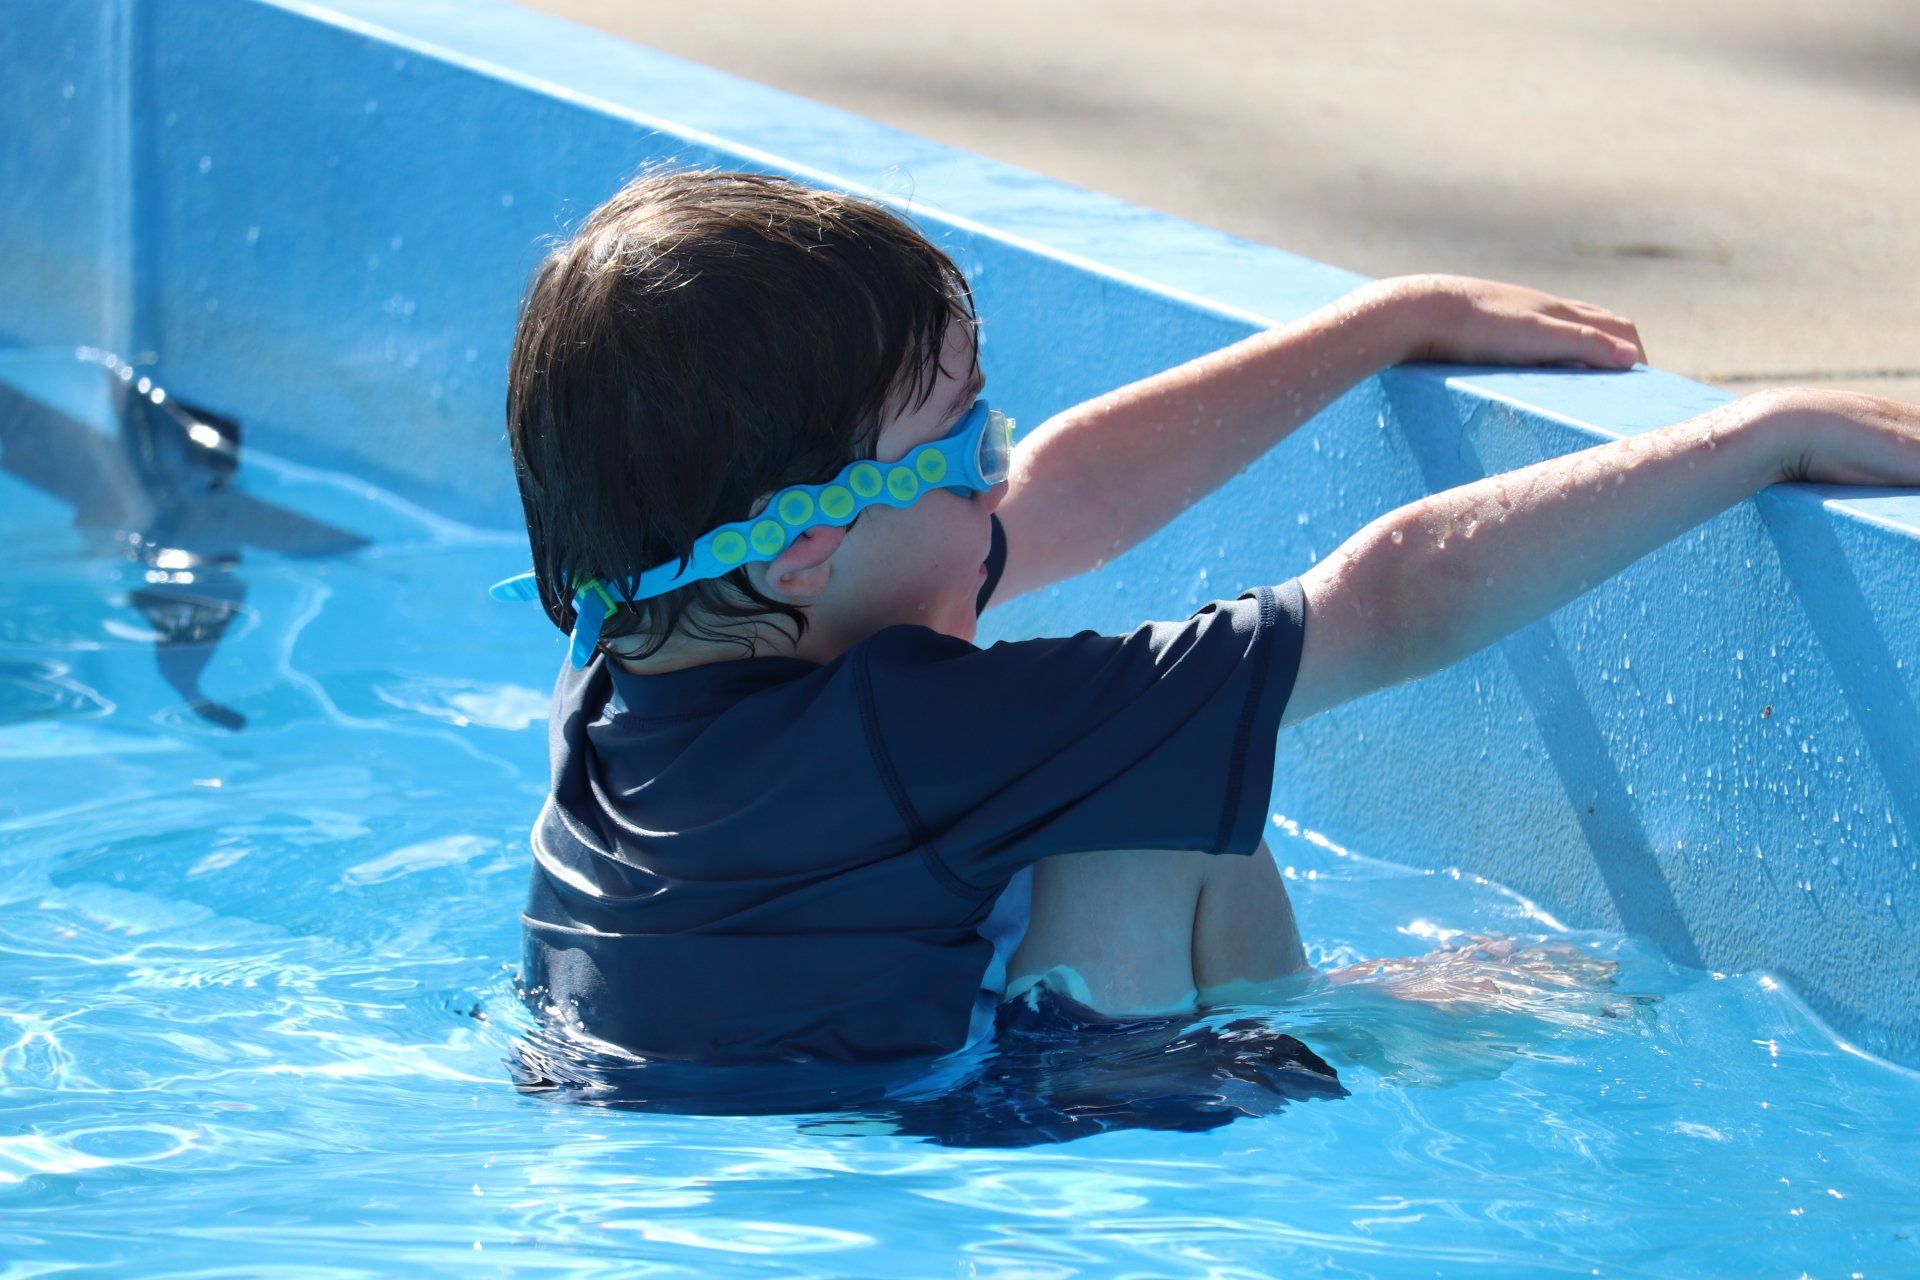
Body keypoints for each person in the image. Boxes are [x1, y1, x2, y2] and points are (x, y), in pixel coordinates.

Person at [500, 166, 1920, 1067]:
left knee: (1135, 750)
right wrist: (1755, 439)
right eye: (967, 443)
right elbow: (1392, 601)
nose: (1003, 467)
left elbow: (1078, 493)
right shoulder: (918, 731)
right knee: (1159, 784)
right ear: (810, 546)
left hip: (714, 1132)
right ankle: (1327, 1037)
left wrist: (1382, 322)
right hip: (990, 1148)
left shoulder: (634, 658)